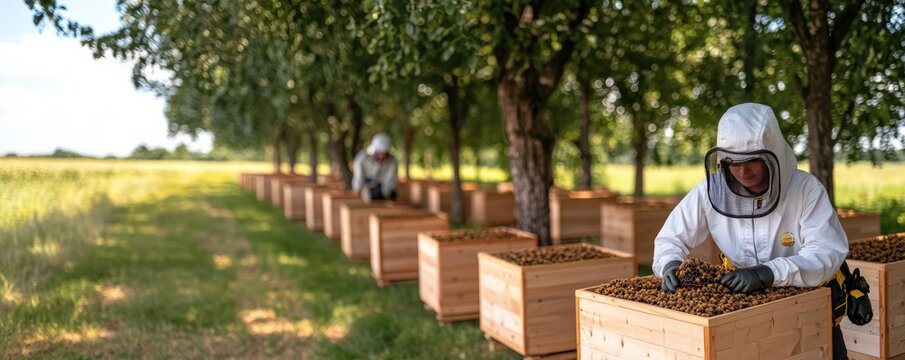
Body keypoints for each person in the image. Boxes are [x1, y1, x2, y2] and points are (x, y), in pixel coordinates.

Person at [652, 103, 857, 359]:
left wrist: (768, 272)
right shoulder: (711, 190)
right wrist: (669, 264)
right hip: (739, 308)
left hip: (803, 305)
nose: (742, 171)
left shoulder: (806, 190)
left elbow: (826, 252)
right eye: (732, 163)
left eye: (751, 161)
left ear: (772, 155)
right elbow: (671, 237)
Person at [352, 133, 399, 201]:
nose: (382, 156)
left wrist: (385, 193)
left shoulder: (393, 162)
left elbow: (391, 181)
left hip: (383, 190)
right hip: (365, 189)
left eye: (384, 154)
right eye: (380, 153)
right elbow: (358, 177)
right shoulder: (362, 159)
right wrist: (358, 190)